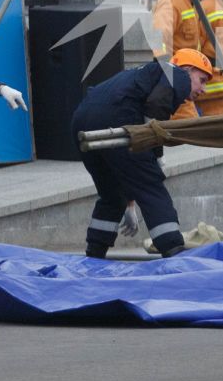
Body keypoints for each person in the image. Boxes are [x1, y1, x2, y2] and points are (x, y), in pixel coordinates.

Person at [72, 49, 212, 258]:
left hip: (82, 119)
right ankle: (174, 253)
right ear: (189, 69)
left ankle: (94, 254)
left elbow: (126, 168)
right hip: (119, 117)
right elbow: (156, 107)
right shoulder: (177, 74)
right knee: (151, 186)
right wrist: (156, 155)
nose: (203, 89)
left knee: (112, 194)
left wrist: (129, 203)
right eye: (201, 80)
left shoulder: (143, 73)